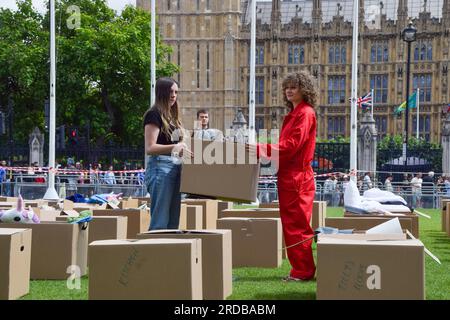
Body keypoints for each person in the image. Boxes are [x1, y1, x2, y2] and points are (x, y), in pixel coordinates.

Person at [250, 71, 317, 281]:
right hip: (290, 175)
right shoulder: (295, 114)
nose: (289, 90)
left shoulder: (305, 113)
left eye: (294, 87)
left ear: (303, 89)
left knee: (297, 225)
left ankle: (303, 271)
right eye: (287, 87)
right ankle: (300, 269)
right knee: (292, 224)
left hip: (297, 177)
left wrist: (262, 148)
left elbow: (291, 146)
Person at [143, 77, 191, 230]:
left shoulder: (172, 117)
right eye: (170, 91)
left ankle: (167, 252)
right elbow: (150, 148)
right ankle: (155, 252)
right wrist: (175, 147)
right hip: (160, 169)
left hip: (174, 168)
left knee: (172, 221)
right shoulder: (153, 114)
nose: (174, 95)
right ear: (161, 92)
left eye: (176, 92)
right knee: (160, 221)